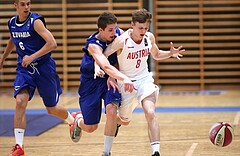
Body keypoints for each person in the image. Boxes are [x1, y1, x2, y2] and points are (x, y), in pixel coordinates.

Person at [102, 8, 185, 156]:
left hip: (144, 80)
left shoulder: (149, 38)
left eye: (146, 28)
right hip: (126, 84)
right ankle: (117, 125)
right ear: (132, 25)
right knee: (123, 120)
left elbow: (157, 54)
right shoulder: (122, 41)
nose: (143, 31)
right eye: (140, 27)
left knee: (150, 112)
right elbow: (104, 55)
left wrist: (170, 54)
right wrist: (109, 75)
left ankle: (156, 152)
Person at [0, 0, 77, 156]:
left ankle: (72, 119)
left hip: (43, 69)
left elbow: (52, 43)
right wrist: (3, 58)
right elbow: (13, 39)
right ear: (15, 5)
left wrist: (32, 57)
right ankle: (19, 147)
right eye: (23, 4)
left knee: (52, 109)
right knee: (20, 101)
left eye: (28, 4)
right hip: (25, 69)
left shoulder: (36, 22)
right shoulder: (12, 23)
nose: (27, 7)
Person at [70, 12, 134, 156]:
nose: (114, 32)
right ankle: (78, 120)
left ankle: (106, 152)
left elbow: (121, 60)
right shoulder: (93, 45)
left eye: (115, 28)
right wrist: (123, 78)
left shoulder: (119, 34)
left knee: (112, 112)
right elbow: (105, 66)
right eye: (110, 30)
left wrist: (114, 76)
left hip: (110, 79)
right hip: (91, 82)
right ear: (101, 30)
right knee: (91, 127)